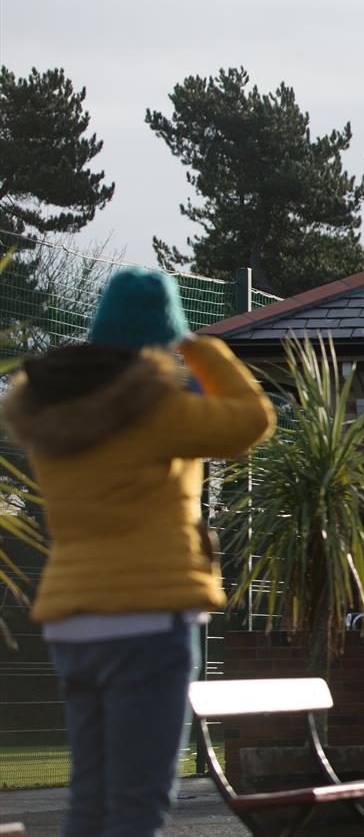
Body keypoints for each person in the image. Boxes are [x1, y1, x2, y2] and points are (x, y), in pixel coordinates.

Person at [1, 267, 276, 837]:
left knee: (92, 795)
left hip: (73, 623)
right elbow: (252, 420)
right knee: (138, 801)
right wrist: (199, 347)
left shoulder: (50, 416)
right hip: (147, 619)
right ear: (162, 340)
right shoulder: (156, 412)